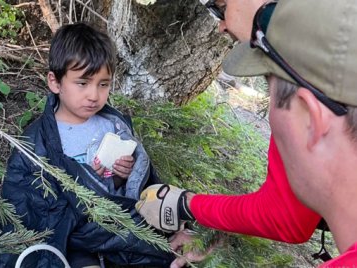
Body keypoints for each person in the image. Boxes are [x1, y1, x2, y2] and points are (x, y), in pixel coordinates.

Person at [138, 0, 357, 265]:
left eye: (221, 6)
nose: (221, 25)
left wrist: (188, 205)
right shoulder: (330, 60)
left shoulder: (303, 67)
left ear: (311, 120)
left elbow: (286, 216)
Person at [0, 22, 182, 268]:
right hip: (73, 240)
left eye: (103, 84)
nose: (94, 95)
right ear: (55, 82)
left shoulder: (113, 126)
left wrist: (123, 177)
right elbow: (31, 206)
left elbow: (130, 193)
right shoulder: (39, 141)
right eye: (82, 83)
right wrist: (85, 182)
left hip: (118, 231)